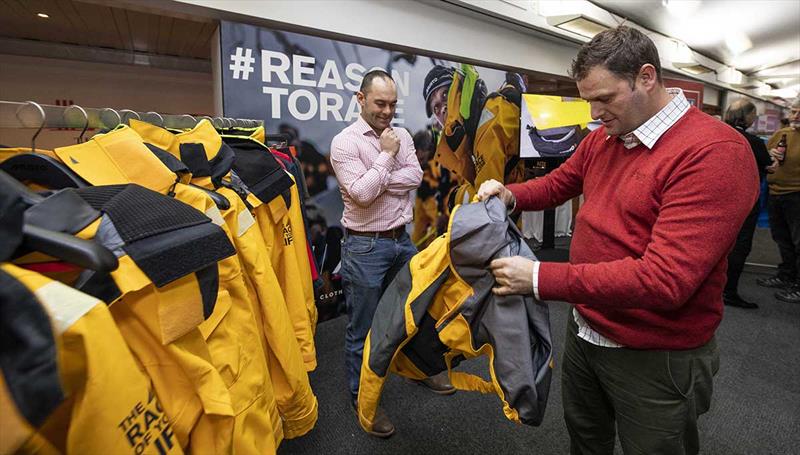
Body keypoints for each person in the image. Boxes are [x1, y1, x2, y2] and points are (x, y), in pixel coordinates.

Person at [477, 26, 758, 454]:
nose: (594, 113)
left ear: (646, 77)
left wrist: (538, 278)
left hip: (654, 354)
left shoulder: (714, 153)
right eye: (588, 100)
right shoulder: (606, 138)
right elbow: (560, 184)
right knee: (586, 440)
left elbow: (665, 280)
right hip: (587, 331)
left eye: (604, 99)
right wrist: (511, 194)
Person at [329, 69, 452, 439]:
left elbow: (414, 176)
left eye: (393, 104)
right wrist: (385, 159)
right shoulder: (345, 143)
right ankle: (361, 399)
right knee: (363, 328)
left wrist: (378, 176)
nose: (387, 111)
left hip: (402, 241)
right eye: (380, 103)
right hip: (365, 245)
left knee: (416, 312)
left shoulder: (399, 136)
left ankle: (420, 369)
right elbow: (362, 194)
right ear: (361, 98)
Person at [722, 99, 772, 308]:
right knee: (740, 245)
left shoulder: (716, 133)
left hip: (717, 199)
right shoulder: (755, 143)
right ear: (747, 116)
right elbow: (769, 166)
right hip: (744, 201)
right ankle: (729, 292)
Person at [757, 96, 800, 303]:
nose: (796, 116)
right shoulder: (782, 134)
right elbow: (764, 155)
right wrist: (770, 153)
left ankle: (798, 285)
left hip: (797, 195)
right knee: (782, 239)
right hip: (776, 193)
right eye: (793, 112)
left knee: (799, 242)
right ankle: (786, 275)